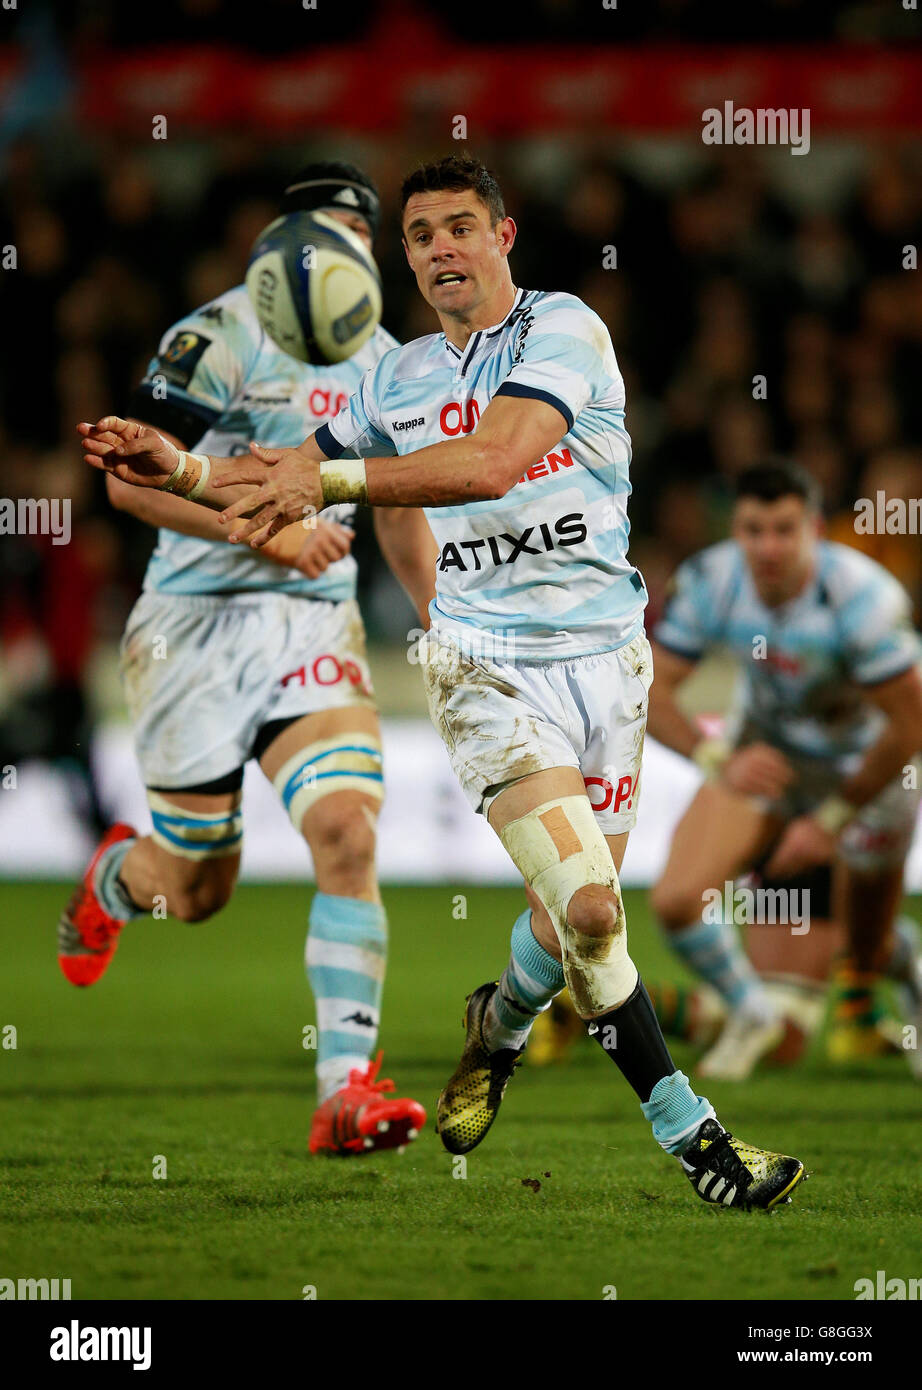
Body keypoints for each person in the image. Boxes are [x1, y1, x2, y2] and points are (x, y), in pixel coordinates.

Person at [80, 154, 807, 1209]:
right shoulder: (394, 377)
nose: (439, 250)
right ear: (403, 261)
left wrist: (321, 477)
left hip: (608, 664)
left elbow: (489, 463)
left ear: (502, 237)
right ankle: (699, 1142)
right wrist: (180, 467)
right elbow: (280, 470)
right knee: (597, 910)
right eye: (420, 237)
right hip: (484, 671)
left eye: (459, 227)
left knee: (563, 934)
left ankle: (496, 1029)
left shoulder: (565, 331)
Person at [63, 161, 437, 1157]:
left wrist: (442, 618)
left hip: (309, 623)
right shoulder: (216, 336)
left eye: (355, 240)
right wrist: (263, 533)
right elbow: (129, 486)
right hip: (192, 625)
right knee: (197, 892)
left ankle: (344, 1091)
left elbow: (395, 507)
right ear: (278, 254)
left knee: (348, 833)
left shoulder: (389, 363)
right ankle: (115, 881)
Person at [647, 460, 922, 1079]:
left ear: (815, 531)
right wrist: (715, 755)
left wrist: (830, 820)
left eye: (783, 530)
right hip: (769, 757)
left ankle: (907, 971)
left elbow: (910, 726)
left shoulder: (864, 598)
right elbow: (650, 690)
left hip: (873, 767)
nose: (767, 547)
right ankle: (752, 1015)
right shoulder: (711, 580)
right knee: (677, 898)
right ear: (735, 531)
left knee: (864, 947)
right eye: (753, 529)